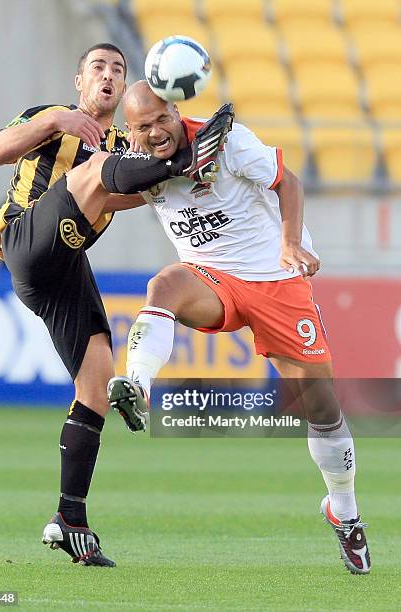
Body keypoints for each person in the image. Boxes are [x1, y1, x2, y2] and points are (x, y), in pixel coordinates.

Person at [107, 80, 371, 575]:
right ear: (130, 131)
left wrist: (291, 244)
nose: (156, 132)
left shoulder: (224, 139)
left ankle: (344, 509)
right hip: (210, 277)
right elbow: (105, 192)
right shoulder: (134, 162)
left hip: (275, 277)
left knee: (322, 410)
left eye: (163, 119)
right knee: (163, 285)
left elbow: (287, 181)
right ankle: (137, 382)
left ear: (174, 109)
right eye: (143, 126)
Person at [0, 47, 229, 567]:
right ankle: (187, 156)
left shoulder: (124, 147)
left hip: (66, 263)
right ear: (79, 80)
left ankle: (70, 517)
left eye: (119, 69)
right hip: (25, 239)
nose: (109, 75)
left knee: (96, 380)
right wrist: (55, 119)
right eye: (99, 66)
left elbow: (125, 193)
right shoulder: (49, 119)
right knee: (96, 169)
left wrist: (178, 180)